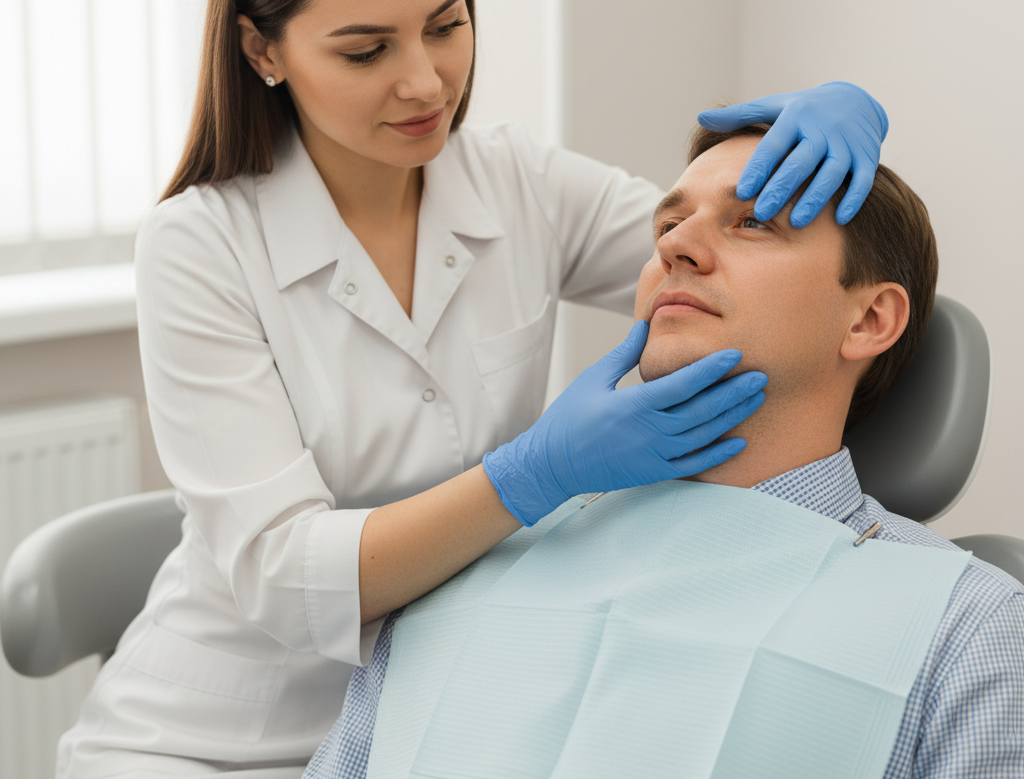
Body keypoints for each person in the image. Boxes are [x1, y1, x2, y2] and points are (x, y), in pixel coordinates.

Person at [57, 0, 891, 778]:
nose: (425, 83)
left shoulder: (518, 183)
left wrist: (835, 124)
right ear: (263, 50)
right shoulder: (199, 247)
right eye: (367, 50)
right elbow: (286, 581)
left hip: (448, 710)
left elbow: (715, 271)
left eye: (446, 26)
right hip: (225, 741)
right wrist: (532, 474)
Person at [304, 125, 1024, 779]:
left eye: (753, 222)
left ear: (869, 318)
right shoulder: (464, 568)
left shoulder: (970, 629)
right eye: (669, 226)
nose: (675, 245)